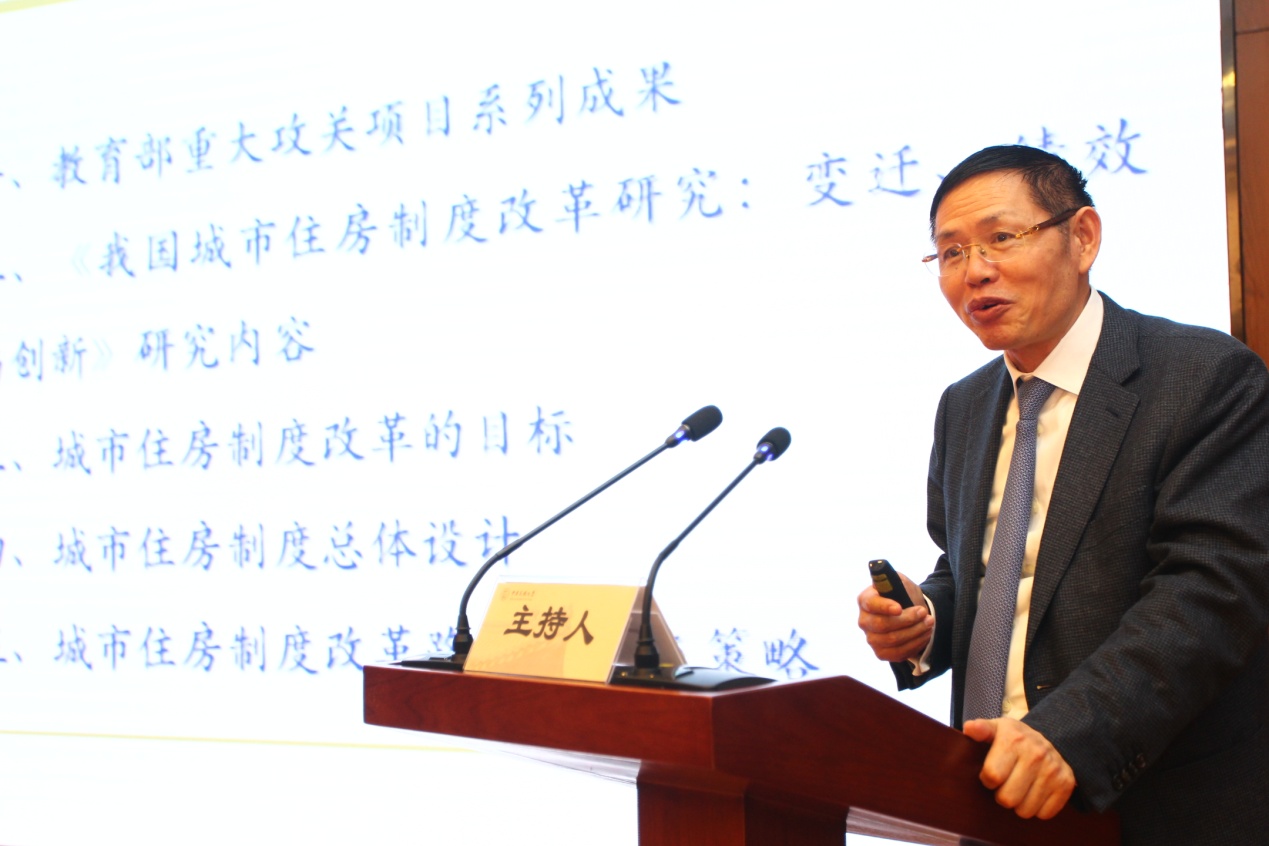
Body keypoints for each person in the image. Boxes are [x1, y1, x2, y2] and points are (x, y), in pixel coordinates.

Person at [856, 145, 1269, 845]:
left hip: (1150, 804)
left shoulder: (1203, 376)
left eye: (1000, 237)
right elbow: (977, 570)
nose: (974, 271)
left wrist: (1068, 735)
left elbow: (1209, 592)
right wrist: (926, 620)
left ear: (1082, 238)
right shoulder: (964, 406)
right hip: (985, 795)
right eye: (950, 252)